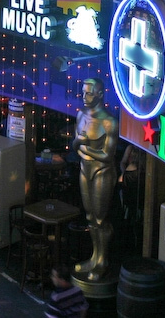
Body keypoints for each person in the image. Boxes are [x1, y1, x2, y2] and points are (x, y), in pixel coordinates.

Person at [73, 77, 117, 282]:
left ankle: (103, 261)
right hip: (85, 168)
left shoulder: (109, 121)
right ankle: (94, 257)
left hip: (102, 171)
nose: (84, 96)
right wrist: (81, 143)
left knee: (100, 218)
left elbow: (107, 155)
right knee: (90, 217)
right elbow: (75, 145)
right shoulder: (81, 115)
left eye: (89, 93)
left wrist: (84, 146)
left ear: (100, 94)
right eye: (83, 92)